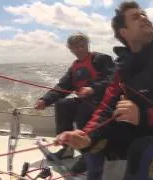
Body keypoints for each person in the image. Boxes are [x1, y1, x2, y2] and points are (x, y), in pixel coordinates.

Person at [54, 1, 153, 180]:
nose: (144, 18)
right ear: (124, 32)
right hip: (134, 132)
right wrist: (86, 136)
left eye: (144, 14)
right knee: (93, 140)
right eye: (136, 17)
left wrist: (144, 116)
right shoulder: (121, 67)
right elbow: (106, 108)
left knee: (143, 149)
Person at [34, 32, 114, 174]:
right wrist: (45, 100)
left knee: (85, 109)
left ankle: (88, 154)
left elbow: (113, 78)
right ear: (70, 49)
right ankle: (67, 148)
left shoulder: (100, 59)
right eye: (74, 47)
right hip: (85, 100)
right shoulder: (75, 67)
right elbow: (63, 87)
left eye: (82, 45)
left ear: (87, 45)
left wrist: (93, 88)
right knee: (63, 105)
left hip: (105, 101)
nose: (79, 49)